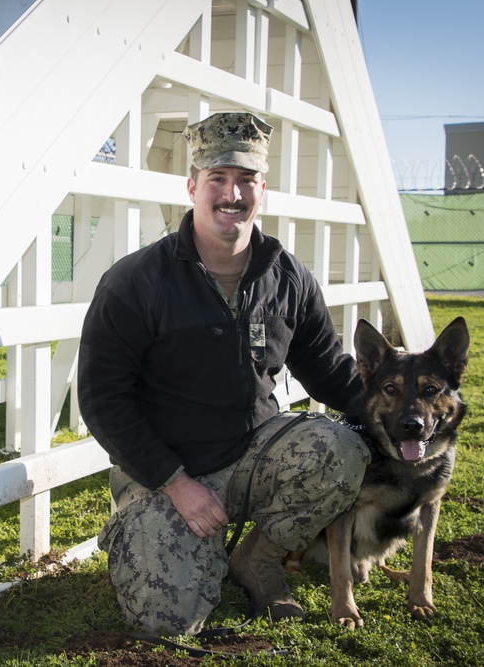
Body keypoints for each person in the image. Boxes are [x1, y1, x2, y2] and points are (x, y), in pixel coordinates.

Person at [77, 111, 370, 636]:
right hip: (166, 469)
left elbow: (327, 369)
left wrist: (401, 418)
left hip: (255, 453)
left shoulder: (286, 278)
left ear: (263, 190)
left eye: (246, 180)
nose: (232, 194)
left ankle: (258, 558)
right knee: (166, 624)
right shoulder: (137, 281)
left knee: (343, 451)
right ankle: (167, 539)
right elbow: (103, 400)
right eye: (218, 179)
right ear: (192, 187)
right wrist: (176, 484)